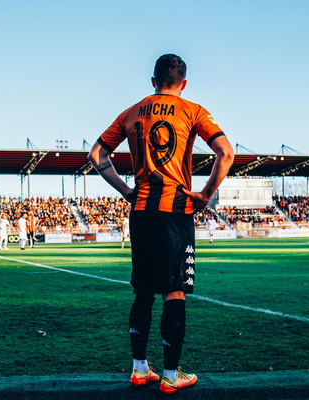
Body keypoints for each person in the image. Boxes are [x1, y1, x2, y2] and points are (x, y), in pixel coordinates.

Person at [88, 54, 234, 394]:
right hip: (175, 210)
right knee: (174, 291)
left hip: (140, 209)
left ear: (153, 81)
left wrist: (125, 189)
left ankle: (140, 369)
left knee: (143, 291)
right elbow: (226, 153)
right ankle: (170, 375)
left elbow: (96, 155)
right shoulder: (193, 111)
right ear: (184, 84)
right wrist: (205, 194)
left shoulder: (131, 112)